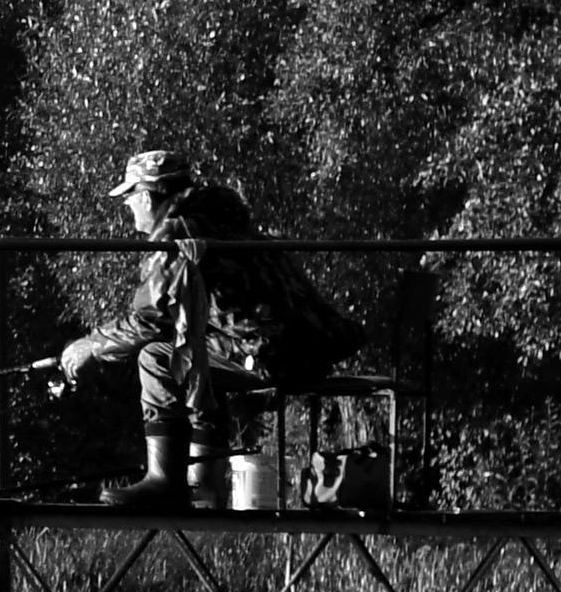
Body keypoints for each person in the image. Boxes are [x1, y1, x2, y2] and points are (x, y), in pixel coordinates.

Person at [54, 150, 354, 508]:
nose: (130, 209)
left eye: (130, 198)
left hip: (269, 357)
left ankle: (164, 482)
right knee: (192, 348)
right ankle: (205, 484)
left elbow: (150, 320)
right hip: (309, 352)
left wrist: (90, 345)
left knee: (157, 358)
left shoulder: (176, 233)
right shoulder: (225, 221)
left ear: (148, 197)